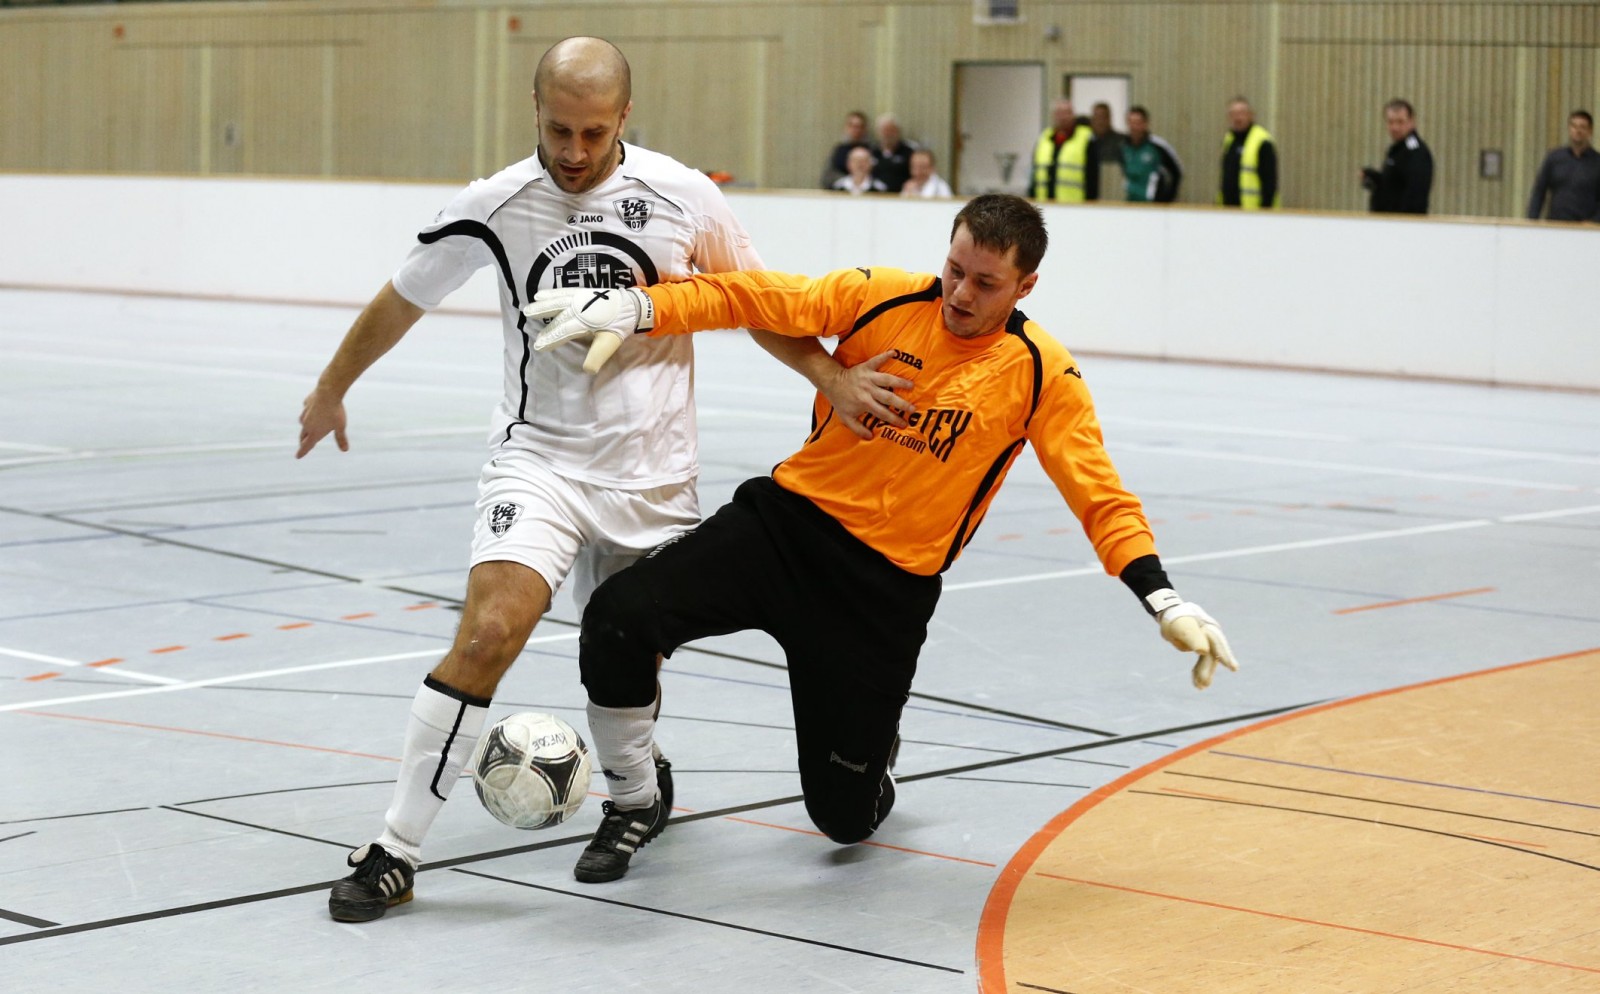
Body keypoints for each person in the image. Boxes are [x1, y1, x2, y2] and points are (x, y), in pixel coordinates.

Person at [299, 36, 907, 924]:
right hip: (539, 459)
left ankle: (633, 797)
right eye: (557, 131)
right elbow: (404, 295)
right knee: (489, 631)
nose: (574, 153)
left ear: (626, 116)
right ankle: (395, 847)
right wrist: (330, 387)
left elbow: (753, 299)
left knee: (623, 646)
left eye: (592, 132)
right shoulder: (498, 202)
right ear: (533, 112)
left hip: (653, 475)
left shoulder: (683, 197)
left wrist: (830, 378)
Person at [522, 194, 1240, 883]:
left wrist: (1162, 597)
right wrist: (642, 307)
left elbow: (1098, 494)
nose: (960, 293)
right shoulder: (882, 296)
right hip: (783, 531)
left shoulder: (1042, 376)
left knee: (844, 822)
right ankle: (636, 797)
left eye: (985, 283)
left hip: (882, 596)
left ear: (1026, 286)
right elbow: (748, 295)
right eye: (954, 269)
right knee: (617, 615)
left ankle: (874, 752)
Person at [1361, 99, 1432, 214]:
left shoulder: (1416, 153)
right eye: (1391, 122)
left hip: (1401, 225)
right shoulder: (1397, 150)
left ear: (1411, 122)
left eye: (1400, 122)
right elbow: (1394, 185)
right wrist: (1374, 177)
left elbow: (1415, 195)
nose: (1395, 128)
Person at [1526, 110, 1600, 222]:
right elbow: (1539, 191)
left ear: (1590, 131)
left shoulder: (1597, 162)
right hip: (1556, 226)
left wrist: (1594, 222)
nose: (1578, 131)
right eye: (1574, 126)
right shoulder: (1554, 158)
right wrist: (1532, 220)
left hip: (1586, 230)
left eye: (1582, 127)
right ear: (1569, 129)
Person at [1029, 98, 1099, 203]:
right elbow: (1035, 172)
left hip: (1074, 205)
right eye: (1059, 113)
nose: (1063, 117)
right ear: (1054, 116)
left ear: (1073, 115)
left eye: (1067, 113)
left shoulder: (1086, 138)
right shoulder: (1044, 138)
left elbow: (1092, 176)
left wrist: (1090, 203)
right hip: (1043, 204)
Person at [1219, 97, 1278, 209]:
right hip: (1228, 211)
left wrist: (1265, 210)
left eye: (1241, 113)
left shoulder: (1262, 141)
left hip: (1253, 211)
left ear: (1251, 115)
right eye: (1233, 114)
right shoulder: (1229, 140)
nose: (1237, 118)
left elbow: (1270, 182)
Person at [1121, 105, 1183, 203]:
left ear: (1145, 124)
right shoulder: (1123, 147)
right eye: (1131, 123)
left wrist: (1167, 200)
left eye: (1137, 123)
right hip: (1131, 203)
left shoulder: (1158, 146)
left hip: (1153, 205)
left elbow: (1177, 172)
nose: (1134, 127)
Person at [821, 109, 871, 190]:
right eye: (852, 126)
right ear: (846, 128)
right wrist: (849, 182)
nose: (856, 130)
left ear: (865, 129)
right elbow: (827, 177)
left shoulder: (872, 150)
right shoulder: (838, 150)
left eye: (859, 126)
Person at [870, 113, 920, 193]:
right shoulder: (871, 151)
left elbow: (918, 173)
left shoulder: (909, 151)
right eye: (884, 130)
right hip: (875, 197)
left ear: (898, 131)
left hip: (902, 196)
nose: (887, 134)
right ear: (878, 132)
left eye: (891, 130)